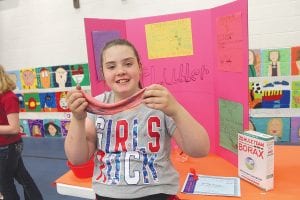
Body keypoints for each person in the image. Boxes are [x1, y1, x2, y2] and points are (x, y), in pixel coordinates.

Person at [65, 39, 210, 200]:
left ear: (140, 67)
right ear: (103, 73)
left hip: (158, 193)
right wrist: (77, 119)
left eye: (128, 64)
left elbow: (200, 150)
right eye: (111, 66)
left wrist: (176, 110)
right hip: (107, 195)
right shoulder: (96, 106)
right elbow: (77, 159)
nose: (120, 71)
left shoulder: (159, 102)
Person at [0, 65, 43, 200]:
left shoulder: (8, 97)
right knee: (24, 178)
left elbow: (14, 128)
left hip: (9, 147)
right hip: (7, 147)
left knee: (5, 184)